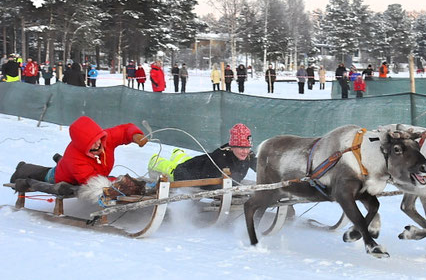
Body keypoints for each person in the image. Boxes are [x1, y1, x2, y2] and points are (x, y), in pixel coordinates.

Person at [10, 116, 148, 186]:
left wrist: (135, 135)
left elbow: (124, 130)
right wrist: (119, 181)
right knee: (47, 175)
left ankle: (60, 162)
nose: (99, 144)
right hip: (62, 177)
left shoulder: (105, 138)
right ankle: (22, 169)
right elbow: (92, 180)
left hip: (79, 168)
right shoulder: (75, 159)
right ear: (84, 145)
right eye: (93, 142)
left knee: (62, 165)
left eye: (99, 138)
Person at [170, 123, 257, 188]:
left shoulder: (249, 155)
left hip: (198, 163)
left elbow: (262, 167)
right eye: (241, 148)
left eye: (248, 148)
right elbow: (207, 184)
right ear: (232, 147)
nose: (245, 151)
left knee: (186, 160)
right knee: (172, 169)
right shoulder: (220, 158)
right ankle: (158, 159)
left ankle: (178, 154)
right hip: (184, 173)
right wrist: (230, 186)